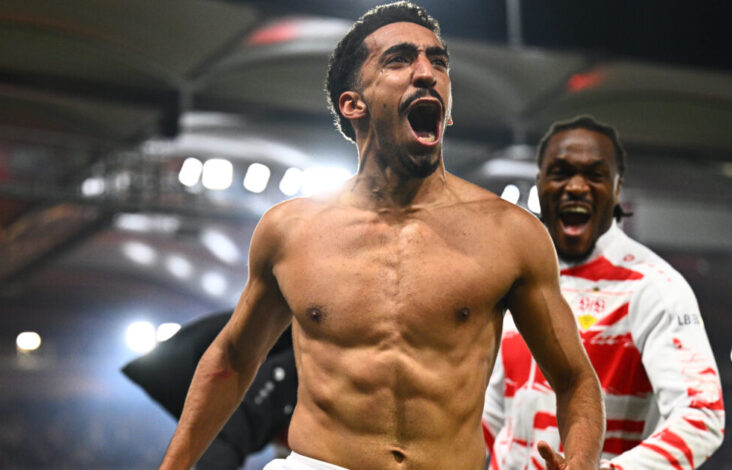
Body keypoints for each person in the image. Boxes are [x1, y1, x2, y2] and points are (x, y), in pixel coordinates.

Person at [160, 4, 605, 469]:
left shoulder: (511, 233)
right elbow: (233, 359)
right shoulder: (290, 230)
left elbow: (575, 379)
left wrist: (581, 460)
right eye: (399, 60)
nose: (427, 73)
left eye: (438, 61)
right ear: (353, 104)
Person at [483, 116, 725, 469]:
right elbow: (490, 416)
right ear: (540, 183)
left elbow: (703, 415)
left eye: (594, 175)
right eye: (561, 172)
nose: (576, 186)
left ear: (616, 189)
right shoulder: (515, 278)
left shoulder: (654, 286)